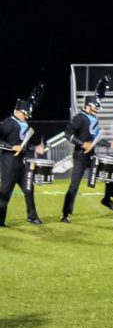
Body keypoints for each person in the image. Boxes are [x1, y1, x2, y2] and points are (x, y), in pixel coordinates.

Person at [61, 77, 113, 223]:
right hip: (80, 156)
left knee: (111, 171)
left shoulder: (94, 119)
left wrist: (110, 144)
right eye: (96, 107)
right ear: (88, 105)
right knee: (74, 185)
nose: (97, 110)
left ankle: (107, 199)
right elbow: (67, 134)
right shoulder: (80, 118)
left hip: (92, 156)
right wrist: (82, 144)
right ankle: (65, 214)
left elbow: (96, 139)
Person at [0, 82, 46, 226]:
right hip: (10, 161)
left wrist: (35, 149)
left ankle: (32, 216)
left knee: (28, 188)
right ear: (17, 111)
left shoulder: (23, 124)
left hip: (22, 161)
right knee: (5, 192)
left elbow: (23, 145)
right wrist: (10, 147)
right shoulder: (8, 123)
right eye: (25, 114)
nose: (26, 117)